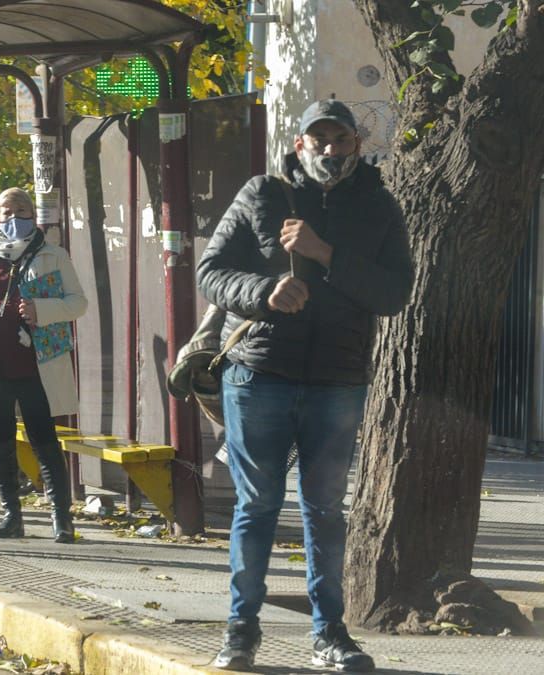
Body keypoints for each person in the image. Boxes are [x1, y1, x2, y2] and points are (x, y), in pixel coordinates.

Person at [197, 100, 413, 672]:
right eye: (318, 139)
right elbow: (211, 272)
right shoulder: (262, 195)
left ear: (356, 146)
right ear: (299, 145)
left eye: (340, 139)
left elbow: (394, 293)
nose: (329, 149)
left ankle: (330, 635)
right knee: (257, 505)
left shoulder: (378, 206)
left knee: (324, 510)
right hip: (259, 375)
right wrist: (262, 293)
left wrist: (326, 254)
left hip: (336, 383)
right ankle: (241, 631)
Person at [0, 187, 88, 543]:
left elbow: (78, 303)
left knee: (44, 440)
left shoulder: (53, 256)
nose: (13, 217)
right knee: (0, 442)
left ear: (32, 214)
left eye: (21, 210)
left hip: (36, 365)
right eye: (5, 211)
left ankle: (62, 519)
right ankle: (11, 515)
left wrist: (41, 311)